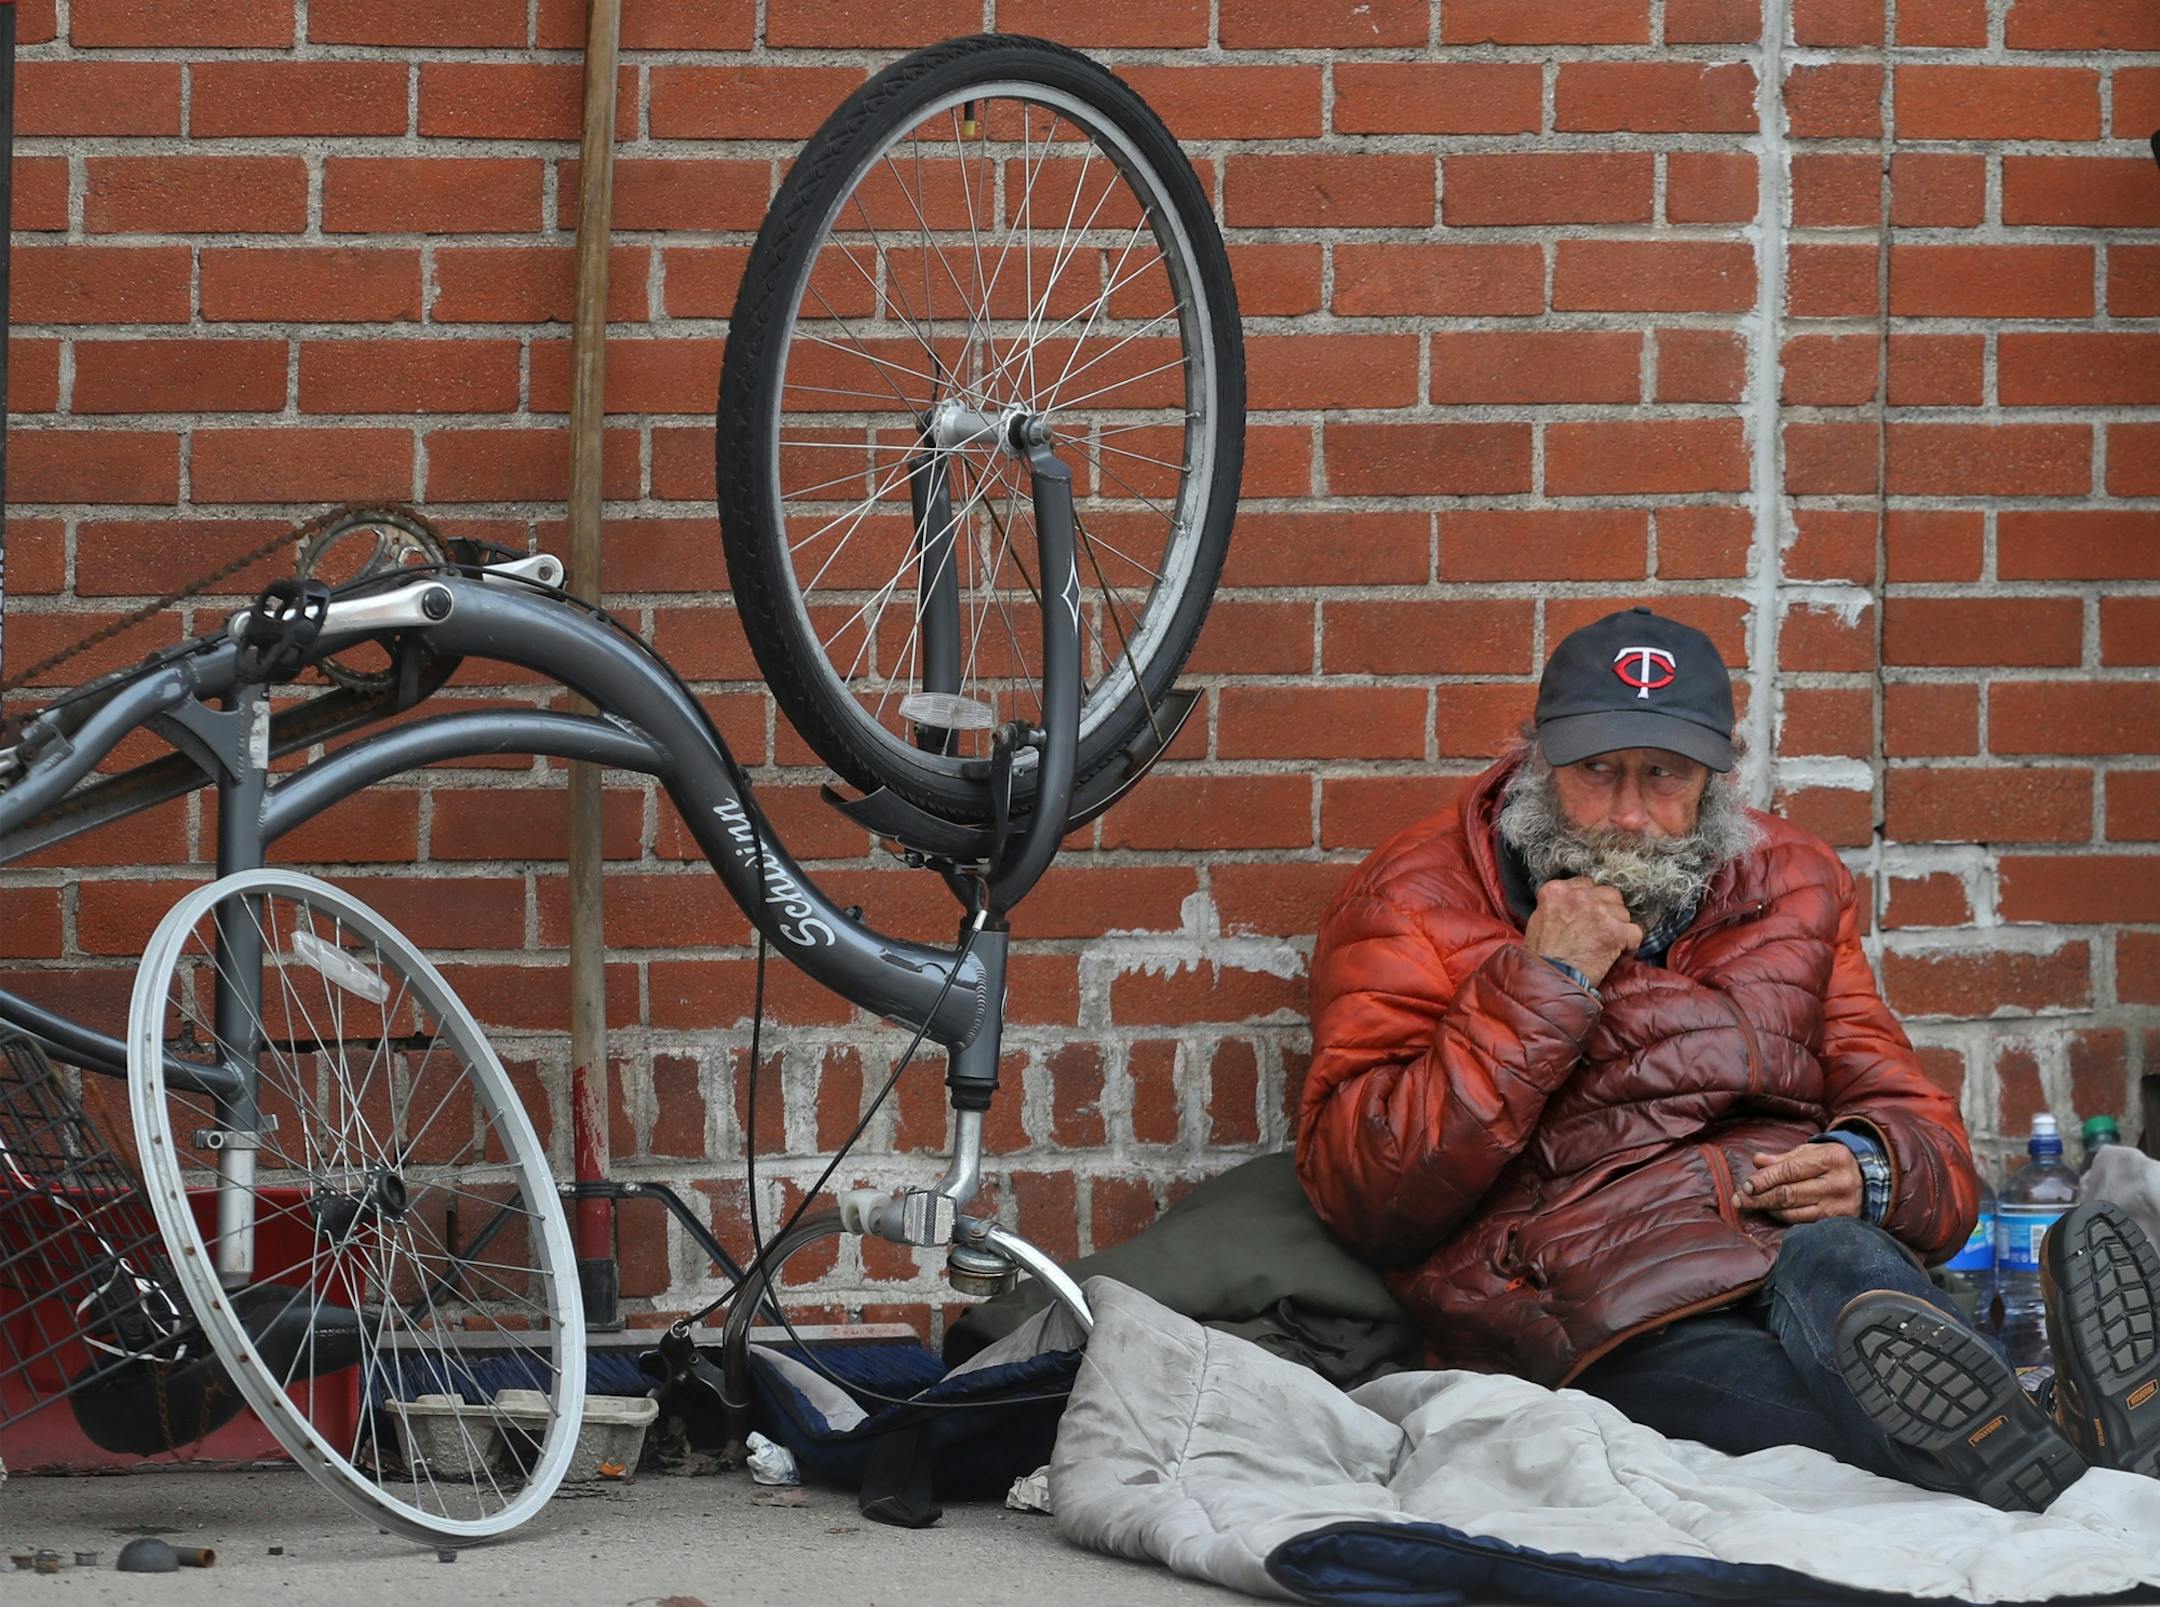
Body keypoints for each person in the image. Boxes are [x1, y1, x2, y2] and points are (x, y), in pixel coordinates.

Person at [1296, 605, 2160, 1508]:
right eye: (1597, 772)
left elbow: (1925, 1135)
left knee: (1850, 1268)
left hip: (1795, 1238)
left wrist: (1870, 1169)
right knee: (1798, 1404)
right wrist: (1542, 982)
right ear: (1539, 761)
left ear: (1714, 779)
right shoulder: (1414, 897)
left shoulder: (1795, 877)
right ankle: (2065, 1437)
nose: (1628, 815)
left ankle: (2031, 1443)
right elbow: (1367, 1191)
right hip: (1601, 1298)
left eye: (1663, 775)